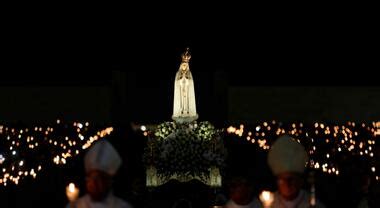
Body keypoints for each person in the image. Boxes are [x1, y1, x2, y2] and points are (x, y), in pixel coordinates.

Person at [252, 135, 325, 208]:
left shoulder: (312, 203)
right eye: (282, 179)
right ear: (277, 182)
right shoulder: (268, 203)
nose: (287, 184)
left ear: (300, 181)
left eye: (291, 179)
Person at [66, 140, 133, 208]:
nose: (94, 184)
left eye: (99, 179)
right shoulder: (76, 205)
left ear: (109, 181)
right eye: (90, 178)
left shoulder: (122, 206)